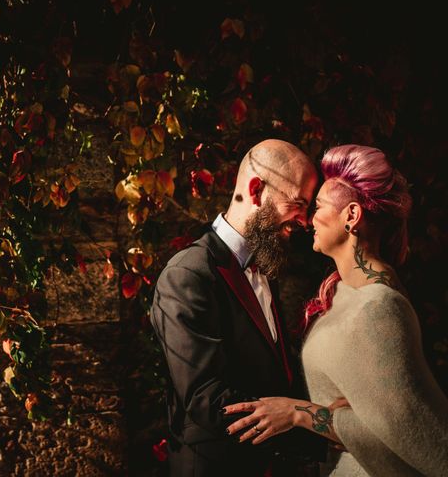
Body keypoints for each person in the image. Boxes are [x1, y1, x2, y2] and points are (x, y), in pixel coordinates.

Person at [223, 144, 448, 476]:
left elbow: (414, 435)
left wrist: (300, 413)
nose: (307, 219)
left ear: (352, 216)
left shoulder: (380, 308)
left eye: (318, 207)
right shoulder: (343, 291)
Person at [150, 139, 327, 476]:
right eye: (298, 204)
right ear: (257, 190)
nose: (305, 221)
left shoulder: (261, 260)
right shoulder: (187, 274)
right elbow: (207, 398)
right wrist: (320, 431)